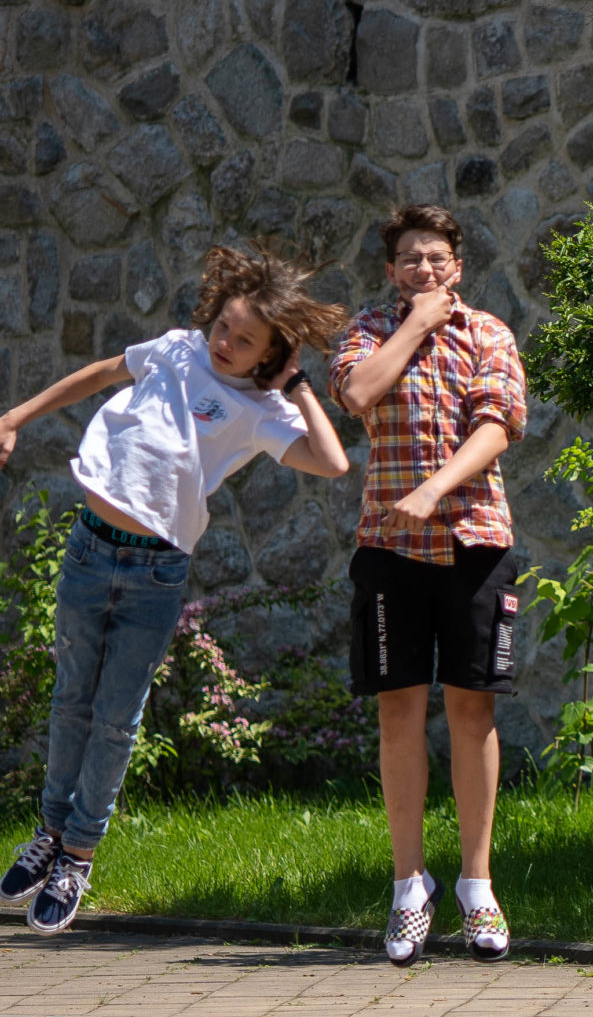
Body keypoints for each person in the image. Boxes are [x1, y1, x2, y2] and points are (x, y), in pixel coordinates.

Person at [0, 249, 349, 933]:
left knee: (115, 717)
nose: (225, 343)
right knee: (70, 700)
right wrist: (14, 416)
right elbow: (101, 373)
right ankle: (49, 832)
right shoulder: (174, 350)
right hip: (89, 550)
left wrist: (298, 385)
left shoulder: (261, 410)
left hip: (155, 574)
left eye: (245, 340)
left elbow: (333, 462)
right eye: (223, 327)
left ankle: (77, 854)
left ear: (270, 354)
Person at [331, 205, 529, 965]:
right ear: (391, 271)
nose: (424, 268)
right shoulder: (368, 329)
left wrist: (434, 489)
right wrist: (414, 324)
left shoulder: (489, 333)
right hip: (390, 544)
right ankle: (409, 886)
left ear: (458, 266)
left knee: (473, 709)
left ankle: (477, 886)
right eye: (411, 258)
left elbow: (497, 425)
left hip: (475, 539)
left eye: (436, 257)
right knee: (398, 710)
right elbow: (357, 394)